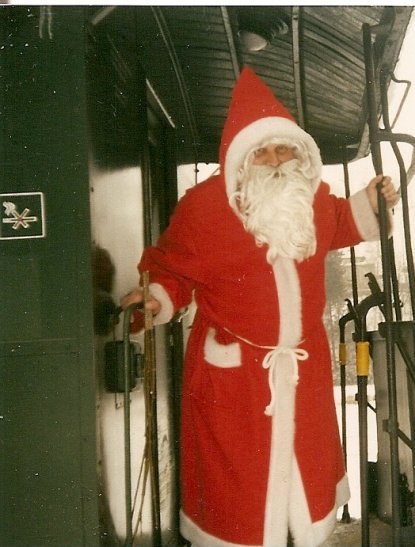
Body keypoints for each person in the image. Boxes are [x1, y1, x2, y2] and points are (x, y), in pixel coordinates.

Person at [121, 66, 398, 547]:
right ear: (240, 159)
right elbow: (172, 271)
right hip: (233, 377)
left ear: (299, 153)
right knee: (240, 503)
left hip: (301, 370)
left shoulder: (310, 199)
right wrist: (154, 299)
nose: (273, 160)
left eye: (283, 149)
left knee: (303, 487)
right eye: (261, 152)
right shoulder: (204, 209)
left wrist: (374, 202)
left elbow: (344, 223)